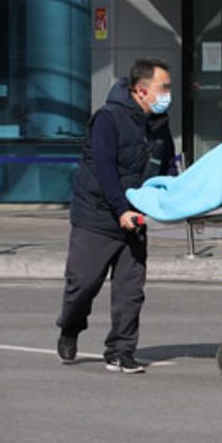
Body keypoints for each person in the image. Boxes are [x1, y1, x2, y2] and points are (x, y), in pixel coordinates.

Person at [56, 58, 177, 374]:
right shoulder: (107, 119)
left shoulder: (160, 126)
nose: (168, 94)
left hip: (134, 220)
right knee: (82, 285)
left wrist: (174, 201)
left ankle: (121, 351)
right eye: (163, 88)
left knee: (130, 291)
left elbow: (167, 170)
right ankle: (70, 327)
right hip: (96, 214)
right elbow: (105, 169)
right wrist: (121, 209)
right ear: (141, 90)